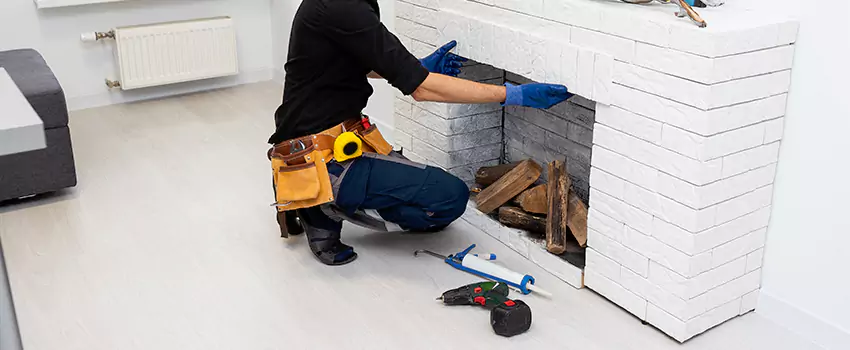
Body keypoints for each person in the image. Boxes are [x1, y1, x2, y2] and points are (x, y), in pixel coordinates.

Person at [269, 0, 573, 266]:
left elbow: (353, 58)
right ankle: (319, 205)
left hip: (335, 139)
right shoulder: (341, 5)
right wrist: (513, 95)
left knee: (426, 194)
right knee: (450, 197)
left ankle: (329, 195)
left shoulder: (343, 5)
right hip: (316, 155)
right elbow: (422, 89)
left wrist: (411, 66)